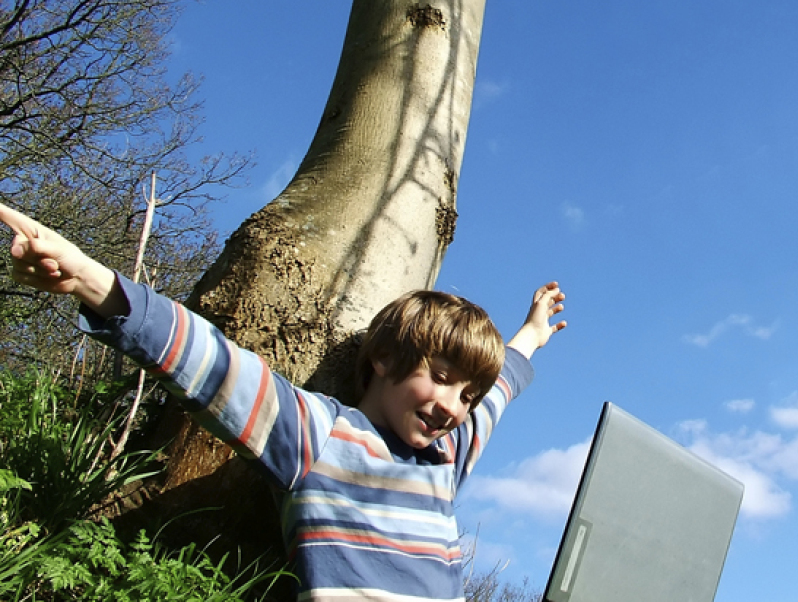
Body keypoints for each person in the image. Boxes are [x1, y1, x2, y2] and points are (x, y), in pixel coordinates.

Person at [0, 202, 566, 601]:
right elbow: (218, 367)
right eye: (441, 378)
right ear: (384, 359)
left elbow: (502, 390)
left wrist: (533, 333)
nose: (453, 406)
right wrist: (92, 283)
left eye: (465, 395)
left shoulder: (447, 456)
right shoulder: (321, 435)